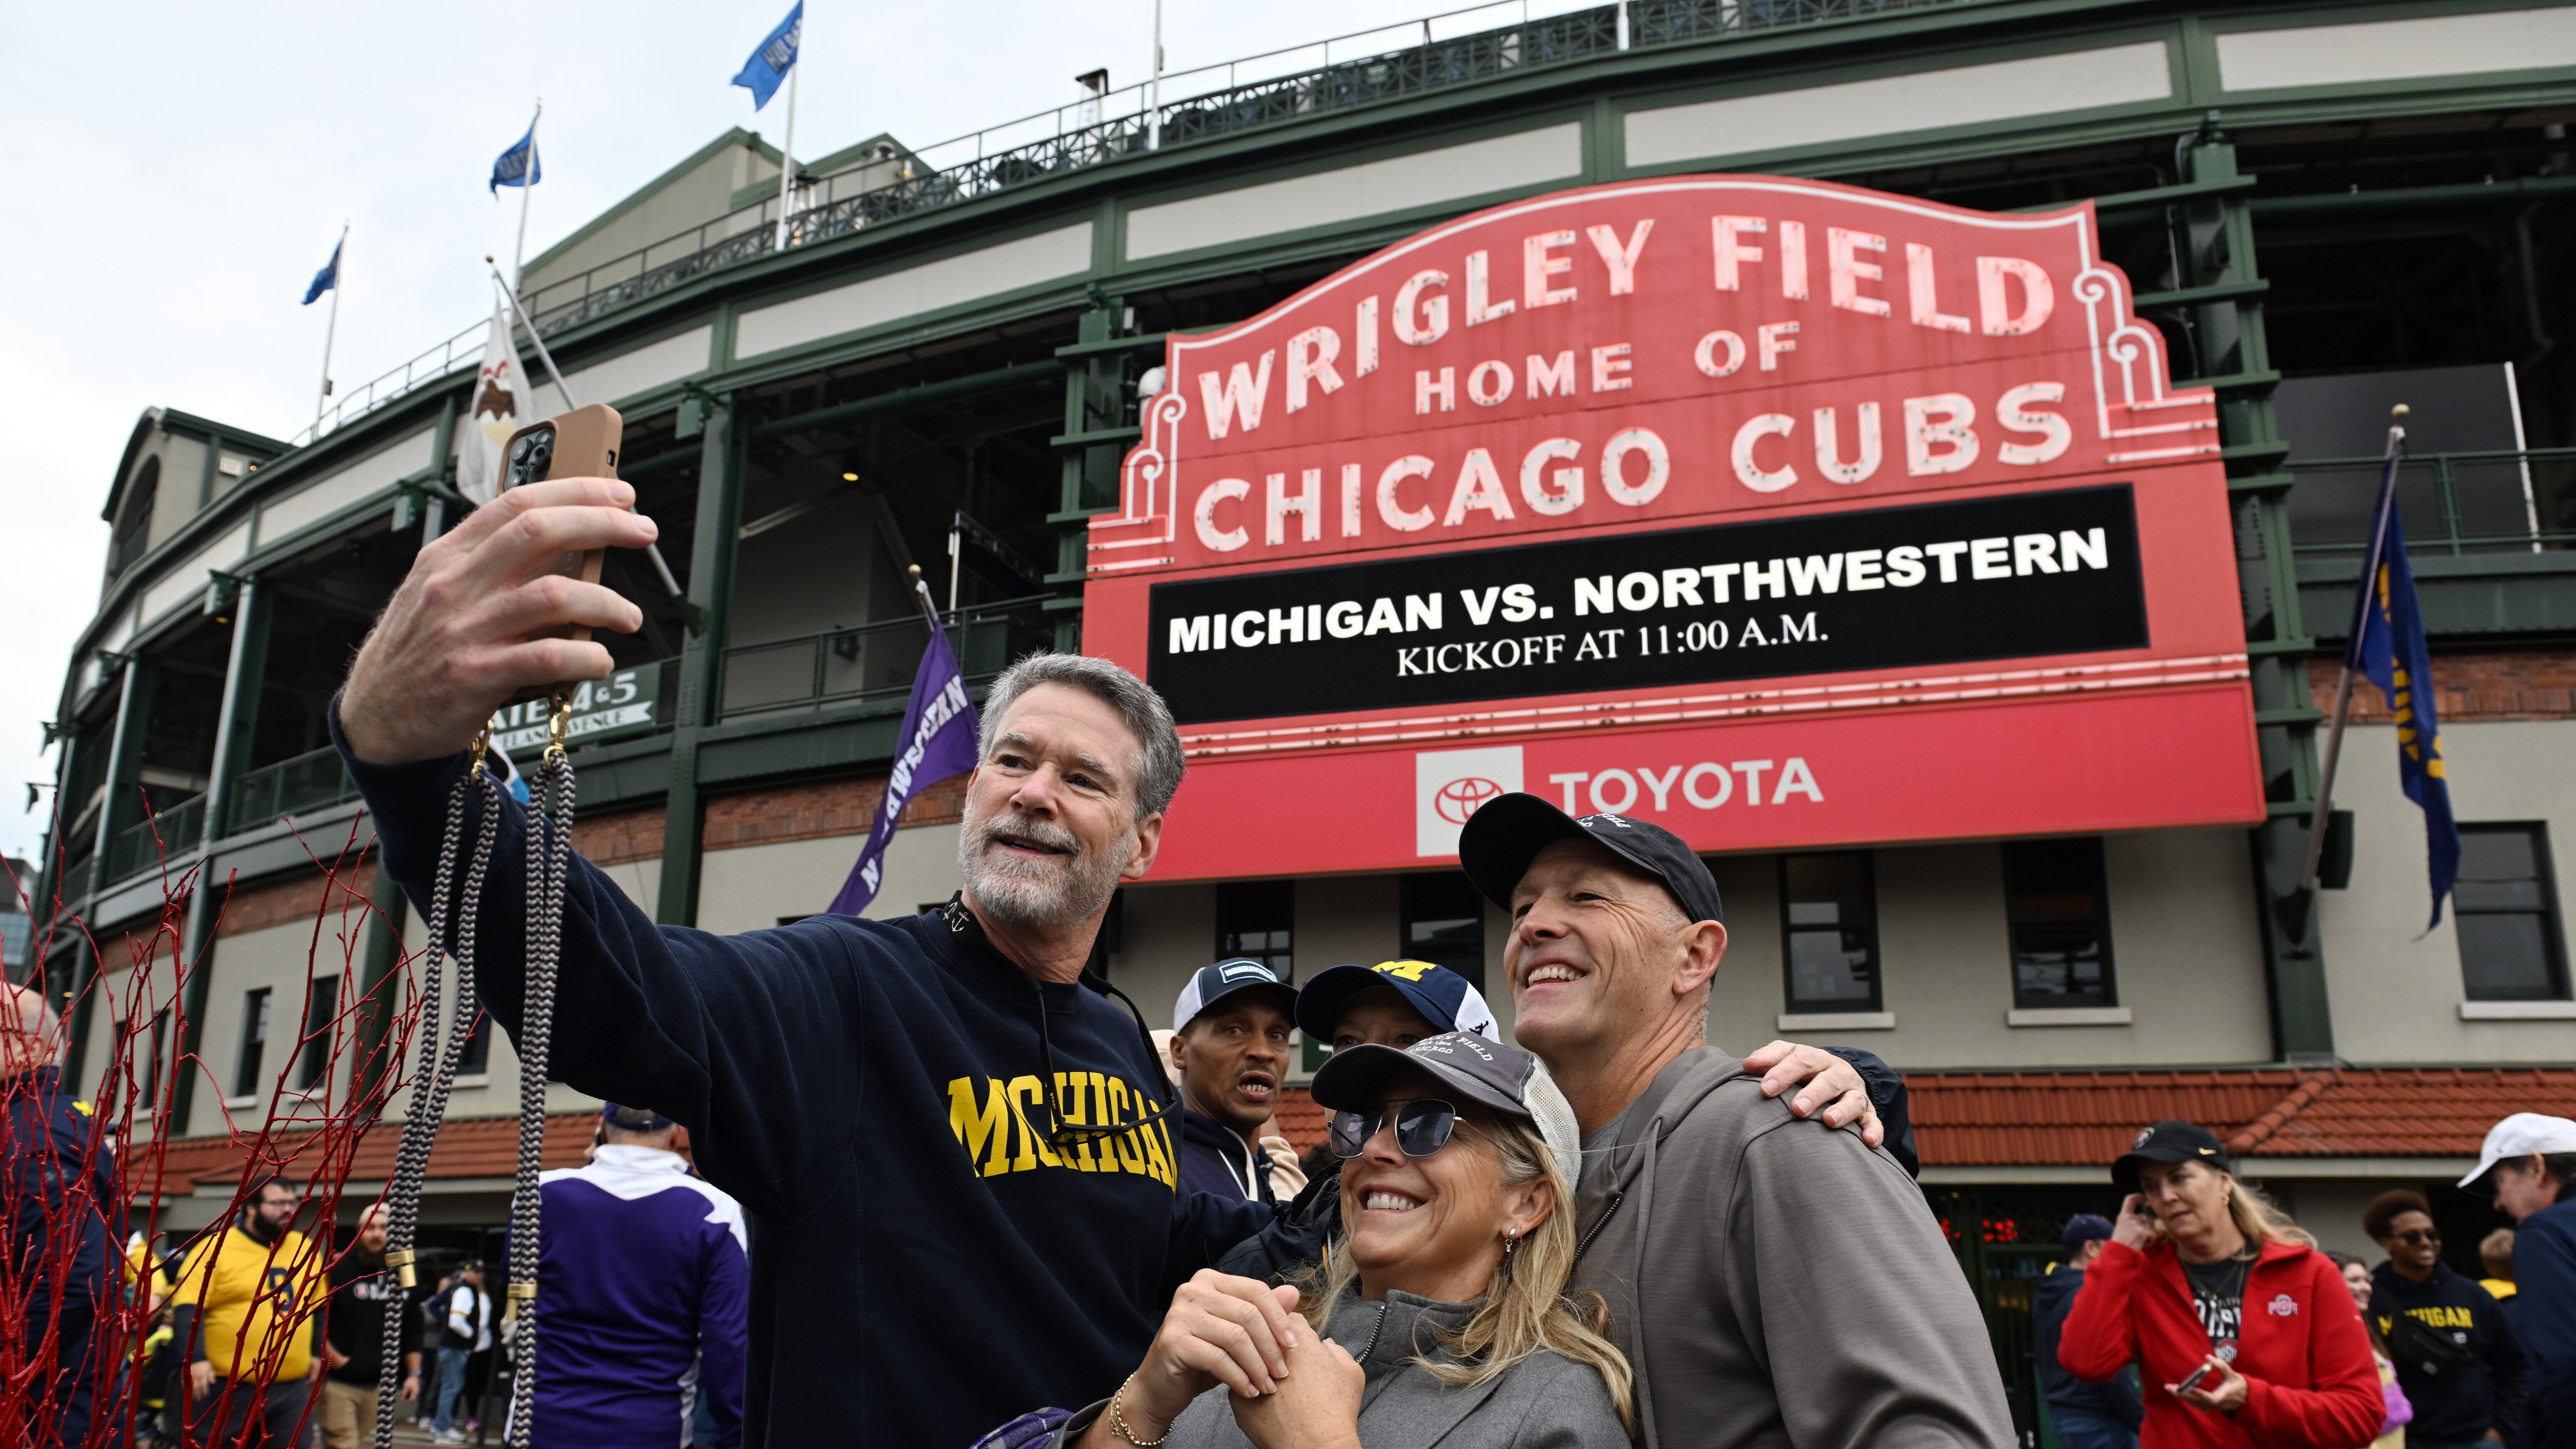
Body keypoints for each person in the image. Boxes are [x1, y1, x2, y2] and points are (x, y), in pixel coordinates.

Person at [327, 479, 1878, 1448]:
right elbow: (615, 986)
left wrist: (1844, 1084)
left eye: (1078, 777)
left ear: (1139, 841)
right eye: (1009, 759)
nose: (1026, 791)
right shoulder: (841, 991)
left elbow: (1223, 1243)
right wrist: (415, 773)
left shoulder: (1116, 1043)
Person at [1453, 793, 2006, 1449]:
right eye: (1522, 907)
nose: (1532, 926)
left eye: (1586, 897)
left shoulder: (1783, 1136)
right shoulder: (1530, 1177)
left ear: (1694, 956)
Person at [1045, 1032, 1631, 1449]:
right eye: (1363, 1122)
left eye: (1427, 1124)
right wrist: (1145, 1403)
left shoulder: (1555, 1406)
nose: (1375, 1148)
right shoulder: (1259, 1336)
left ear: (1527, 1202)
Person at [2056, 1121, 2382, 1449]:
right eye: (2151, 1187)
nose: (2166, 1196)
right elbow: (2086, 1362)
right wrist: (2118, 1255)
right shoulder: (2141, 1275)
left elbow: (2361, 1415)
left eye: (2179, 1177)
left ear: (2224, 1182)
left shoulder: (2308, 1273)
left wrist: (2250, 1399)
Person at [522, 1102, 748, 1449]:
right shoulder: (715, 1210)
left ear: (601, 1129)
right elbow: (727, 1343)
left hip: (542, 1424)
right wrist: (734, 1435)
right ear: (676, 1133)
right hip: (651, 1430)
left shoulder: (540, 1194)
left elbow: (519, 1299)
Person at [2, 981, 124, 1449]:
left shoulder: (31, 1134)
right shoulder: (52, 1121)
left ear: (28, 1047)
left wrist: (11, 1361)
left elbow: (78, 1275)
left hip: (45, 1405)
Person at [170, 1173, 330, 1447]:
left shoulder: (305, 1249)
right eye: (278, 1203)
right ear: (252, 1207)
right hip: (226, 1388)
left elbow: (317, 1306)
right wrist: (194, 1357)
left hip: (289, 1388)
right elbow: (188, 1307)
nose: (288, 1209)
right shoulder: (215, 1248)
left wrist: (316, 1351)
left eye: (292, 1202)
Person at [2362, 1187, 2524, 1449]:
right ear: (2386, 1242)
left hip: (2478, 1438)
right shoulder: (2372, 1300)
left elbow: (2514, 1366)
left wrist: (2500, 1429)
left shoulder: (2473, 1295)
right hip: (2407, 1440)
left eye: (2432, 1235)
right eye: (2412, 1237)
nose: (2426, 1243)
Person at [2460, 1114, 2576, 1449]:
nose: (2499, 1202)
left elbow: (2565, 1359)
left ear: (2538, 1168)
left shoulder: (2545, 1232)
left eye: (2500, 1183)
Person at [1168, 961, 1299, 1203]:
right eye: (1234, 1030)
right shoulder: (1159, 1167)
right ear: (1180, 1052)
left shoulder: (1263, 1170)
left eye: (1277, 1035)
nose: (1263, 1052)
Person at [2036, 1215, 2145, 1449]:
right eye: (2112, 1247)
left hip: (2065, 1417)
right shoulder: (2088, 1297)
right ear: (2091, 1248)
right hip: (2102, 1420)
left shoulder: (2050, 1292)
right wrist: (2140, 1421)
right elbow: (2111, 1372)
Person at [320, 1204, 421, 1449]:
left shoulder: (405, 1271)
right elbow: (318, 1319)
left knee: (358, 1439)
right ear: (359, 1231)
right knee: (343, 1443)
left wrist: (414, 1375)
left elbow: (413, 1325)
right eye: (370, 1228)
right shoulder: (340, 1268)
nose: (377, 1234)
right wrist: (337, 1359)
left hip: (379, 1385)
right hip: (338, 1382)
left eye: (384, 1228)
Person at [2334, 1251, 2417, 1449]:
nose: (2365, 1287)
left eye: (2366, 1279)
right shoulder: (2331, 1340)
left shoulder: (2365, 1331)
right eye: (2354, 1280)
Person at [432, 1261, 492, 1443]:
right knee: (451, 1387)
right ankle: (442, 1429)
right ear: (466, 1273)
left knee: (451, 1387)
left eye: (481, 1273)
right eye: (475, 1272)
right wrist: (471, 1335)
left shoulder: (465, 1289)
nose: (478, 1276)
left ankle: (443, 1426)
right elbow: (456, 1321)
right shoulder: (464, 1290)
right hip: (455, 1347)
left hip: (454, 1346)